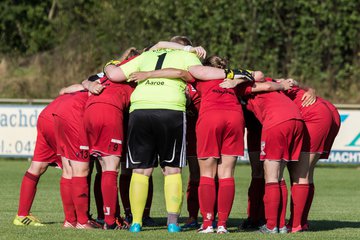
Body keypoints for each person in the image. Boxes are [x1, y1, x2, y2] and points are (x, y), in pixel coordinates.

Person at [104, 36, 203, 233]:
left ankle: (136, 223)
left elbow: (113, 75)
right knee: (172, 169)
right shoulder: (189, 55)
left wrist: (110, 64)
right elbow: (196, 75)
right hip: (171, 108)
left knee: (141, 170)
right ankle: (173, 223)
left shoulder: (147, 55)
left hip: (140, 109)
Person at [221, 76, 304, 234]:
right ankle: (280, 225)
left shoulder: (248, 86)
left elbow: (264, 85)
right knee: (279, 177)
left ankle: (272, 226)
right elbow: (292, 83)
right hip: (296, 120)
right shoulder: (274, 84)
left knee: (271, 176)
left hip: (276, 121)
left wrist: (234, 82)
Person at [13, 95, 64, 227]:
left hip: (46, 115)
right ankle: (76, 219)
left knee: (38, 166)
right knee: (76, 167)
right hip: (61, 118)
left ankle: (22, 215)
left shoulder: (93, 81)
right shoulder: (103, 81)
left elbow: (64, 90)